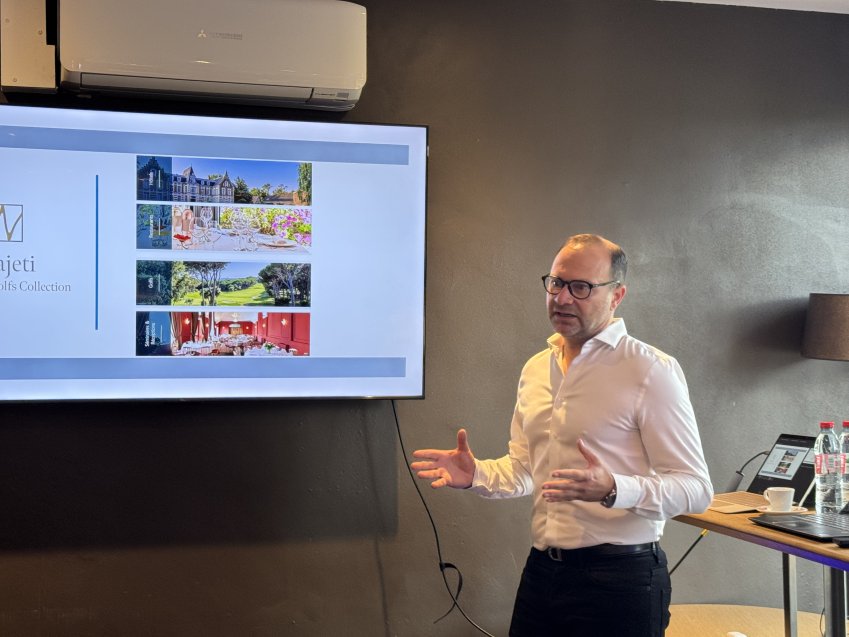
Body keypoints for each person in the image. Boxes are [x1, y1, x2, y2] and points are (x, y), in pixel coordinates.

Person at [411, 233, 712, 637]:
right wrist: (477, 474)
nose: (563, 298)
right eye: (556, 283)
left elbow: (696, 490)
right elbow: (525, 471)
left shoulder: (650, 370)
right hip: (543, 573)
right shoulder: (536, 368)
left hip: (621, 581)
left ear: (617, 295)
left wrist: (614, 488)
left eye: (581, 287)